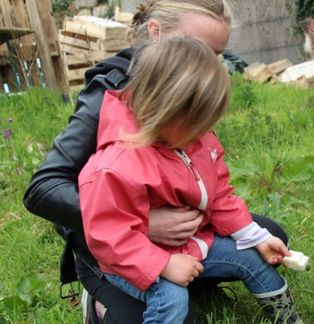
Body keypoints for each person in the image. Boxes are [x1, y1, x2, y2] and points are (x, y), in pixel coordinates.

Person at [22, 1, 289, 323]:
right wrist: (142, 222)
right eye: (199, 48)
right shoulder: (112, 94)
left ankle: (191, 280)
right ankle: (101, 300)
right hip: (113, 245)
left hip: (182, 239)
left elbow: (212, 182)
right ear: (155, 34)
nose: (212, 65)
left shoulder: (190, 93)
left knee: (269, 237)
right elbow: (42, 189)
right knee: (173, 312)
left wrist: (252, 234)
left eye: (218, 54)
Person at [78, 36, 301, 324]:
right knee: (171, 297)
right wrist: (164, 264)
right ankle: (104, 303)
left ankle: (289, 319)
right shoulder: (116, 166)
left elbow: (220, 194)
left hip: (189, 244)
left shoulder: (195, 142)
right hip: (130, 262)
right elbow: (109, 237)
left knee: (251, 258)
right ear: (162, 112)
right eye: (197, 123)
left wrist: (256, 237)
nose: (205, 132)